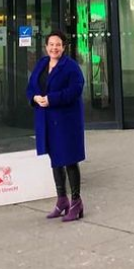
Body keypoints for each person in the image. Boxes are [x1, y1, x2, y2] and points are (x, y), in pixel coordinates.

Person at [26, 30, 85, 221]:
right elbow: (32, 86)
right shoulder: (42, 64)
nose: (54, 48)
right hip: (46, 120)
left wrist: (51, 99)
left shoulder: (71, 67)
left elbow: (75, 89)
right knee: (55, 160)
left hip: (66, 121)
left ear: (64, 47)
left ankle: (76, 202)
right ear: (46, 47)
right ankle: (62, 200)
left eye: (58, 44)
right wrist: (34, 97)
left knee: (69, 159)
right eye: (51, 44)